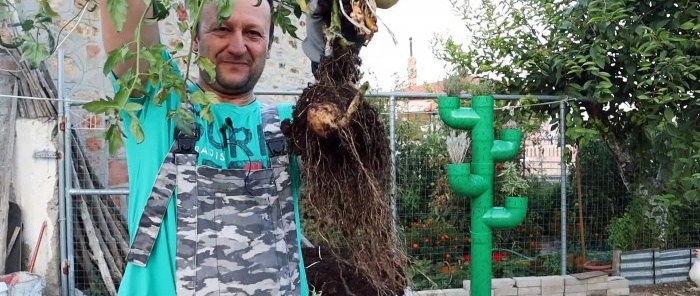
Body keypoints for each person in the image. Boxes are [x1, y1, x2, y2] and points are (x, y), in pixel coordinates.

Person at [98, 0, 338, 294]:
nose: (238, 47)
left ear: (269, 44)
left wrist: (333, 50)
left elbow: (344, 120)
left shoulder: (293, 125)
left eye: (253, 33)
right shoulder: (161, 101)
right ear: (195, 38)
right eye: (222, 29)